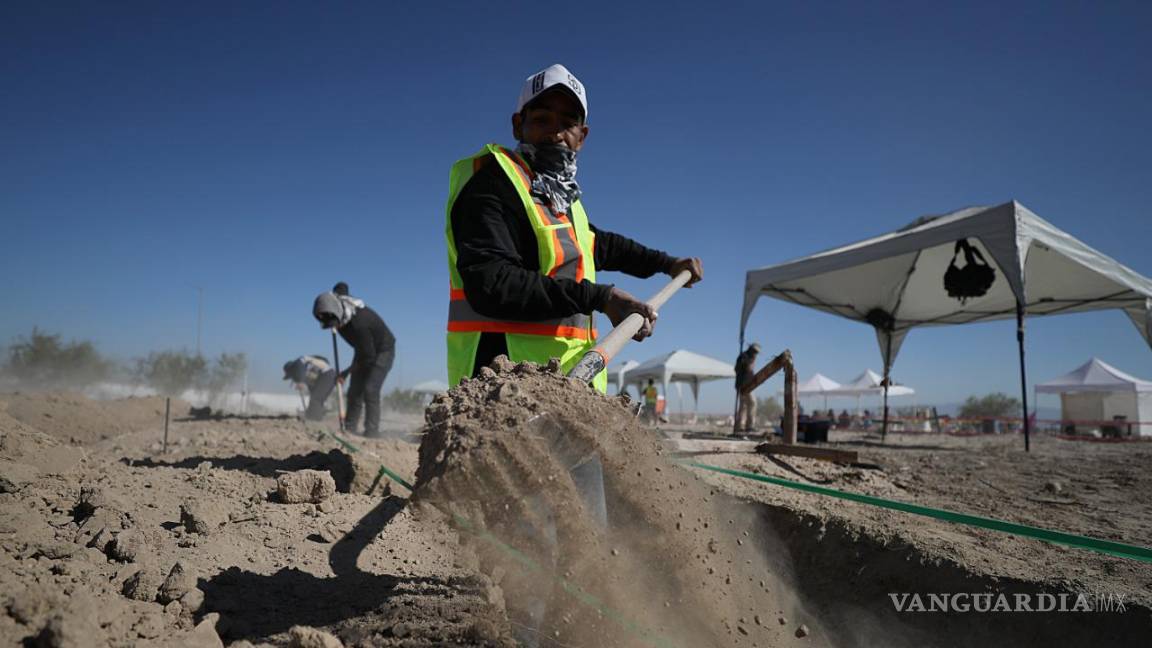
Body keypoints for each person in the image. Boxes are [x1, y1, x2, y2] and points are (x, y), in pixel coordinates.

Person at [444, 64, 702, 391]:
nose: (555, 134)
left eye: (568, 124)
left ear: (582, 136)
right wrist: (602, 297)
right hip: (504, 380)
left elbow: (603, 246)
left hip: (568, 383)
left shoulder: (561, 200)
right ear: (517, 125)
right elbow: (492, 284)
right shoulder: (492, 183)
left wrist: (667, 264)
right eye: (542, 120)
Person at [312, 288, 396, 438]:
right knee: (354, 390)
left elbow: (368, 356)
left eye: (334, 324)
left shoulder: (359, 324)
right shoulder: (340, 319)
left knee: (370, 389)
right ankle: (349, 428)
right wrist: (349, 372)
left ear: (337, 314)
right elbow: (362, 350)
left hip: (383, 351)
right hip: (365, 350)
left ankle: (372, 432)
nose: (334, 328)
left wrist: (346, 372)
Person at [282, 355, 337, 421]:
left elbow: (299, 364)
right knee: (317, 400)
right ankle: (314, 418)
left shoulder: (298, 363)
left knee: (315, 398)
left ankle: (313, 420)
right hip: (329, 376)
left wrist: (300, 381)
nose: (292, 378)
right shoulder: (305, 373)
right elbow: (312, 389)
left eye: (291, 375)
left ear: (292, 370)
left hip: (327, 374)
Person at [733, 342, 760, 434]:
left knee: (743, 405)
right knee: (752, 403)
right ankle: (749, 426)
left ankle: (740, 426)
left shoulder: (744, 356)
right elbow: (745, 369)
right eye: (755, 352)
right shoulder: (745, 357)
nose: (756, 354)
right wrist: (751, 362)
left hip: (744, 384)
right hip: (744, 384)